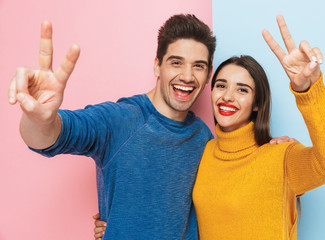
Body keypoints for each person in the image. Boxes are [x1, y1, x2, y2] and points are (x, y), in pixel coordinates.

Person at [93, 15, 325, 240]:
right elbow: (170, 206)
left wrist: (308, 89)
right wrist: (117, 226)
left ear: (257, 104)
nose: (228, 96)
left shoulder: (280, 157)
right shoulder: (202, 149)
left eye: (242, 90)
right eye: (221, 85)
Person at [8, 14, 216, 239]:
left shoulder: (203, 136)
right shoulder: (120, 120)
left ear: (208, 75)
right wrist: (40, 119)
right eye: (176, 62)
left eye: (198, 66)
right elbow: (54, 135)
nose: (187, 76)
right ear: (157, 66)